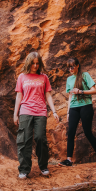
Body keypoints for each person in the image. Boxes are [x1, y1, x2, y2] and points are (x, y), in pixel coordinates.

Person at [14, 51, 61, 179]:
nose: (35, 66)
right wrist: (15, 114)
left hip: (40, 111)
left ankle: (43, 166)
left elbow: (48, 95)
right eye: (33, 63)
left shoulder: (44, 77)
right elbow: (19, 96)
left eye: (37, 63)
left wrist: (54, 111)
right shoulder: (22, 77)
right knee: (24, 140)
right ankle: (24, 169)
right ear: (28, 63)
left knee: (41, 138)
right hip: (25, 111)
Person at [60, 57, 96, 167]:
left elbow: (94, 90)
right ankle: (69, 160)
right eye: (69, 68)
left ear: (77, 66)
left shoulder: (85, 75)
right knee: (71, 133)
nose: (70, 69)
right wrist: (68, 112)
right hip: (73, 108)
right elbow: (70, 95)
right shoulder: (69, 79)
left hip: (85, 106)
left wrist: (81, 91)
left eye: (72, 67)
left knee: (87, 132)